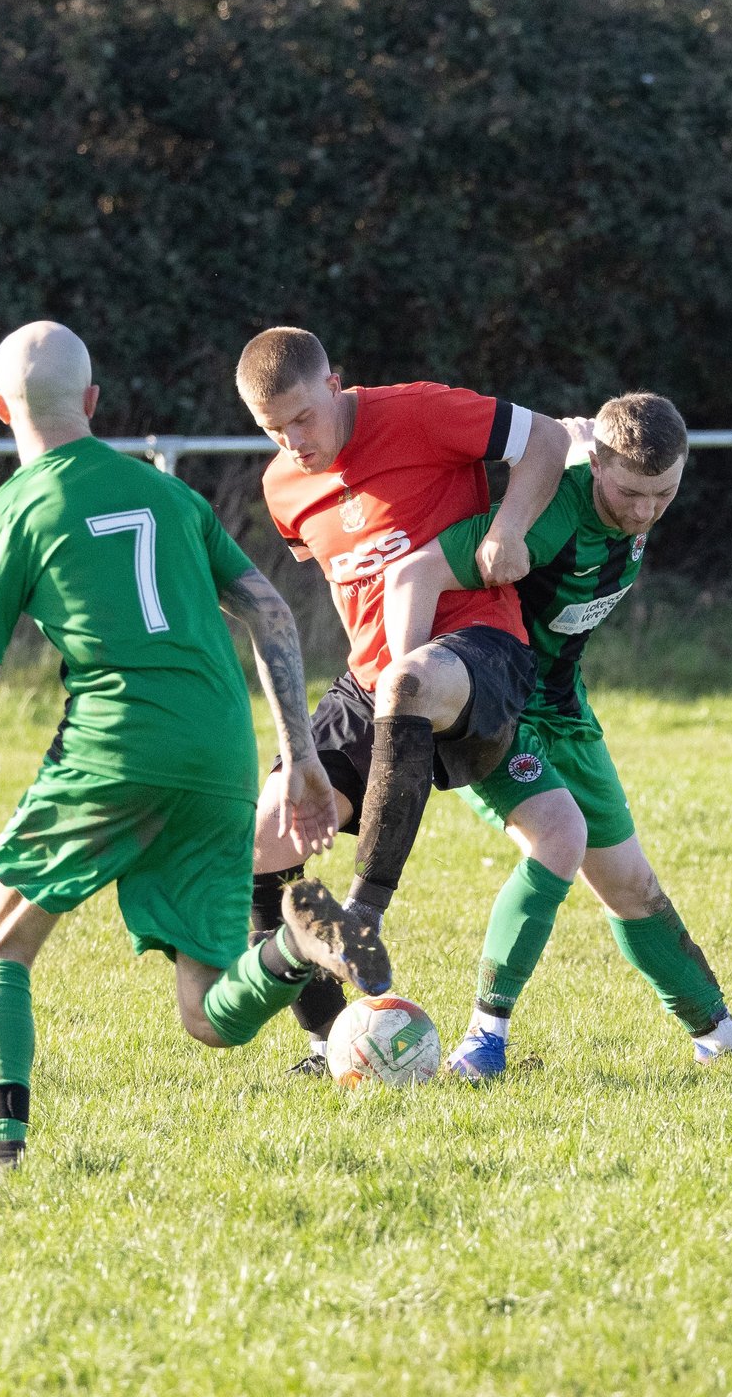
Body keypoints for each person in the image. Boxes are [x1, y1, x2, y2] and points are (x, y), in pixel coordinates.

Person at [0, 322, 380, 1184]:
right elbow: (273, 616)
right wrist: (301, 759)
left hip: (115, 744)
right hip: (218, 749)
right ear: (93, 402)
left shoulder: (9, 515)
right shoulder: (168, 496)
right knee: (210, 1015)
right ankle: (294, 949)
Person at [375, 394, 732, 1078]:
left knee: (633, 887)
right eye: (630, 492)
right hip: (499, 709)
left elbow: (585, 437)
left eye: (664, 494)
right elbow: (414, 573)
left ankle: (722, 1040)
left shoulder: (625, 480)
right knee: (559, 840)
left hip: (566, 711)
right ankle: (484, 1040)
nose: (645, 511)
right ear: (600, 465)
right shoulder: (550, 514)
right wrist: (400, 720)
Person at [236, 327, 568, 1067]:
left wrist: (508, 529)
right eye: (271, 430)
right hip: (366, 683)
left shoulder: (417, 411)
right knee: (260, 838)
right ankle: (332, 1045)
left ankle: (364, 914)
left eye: (302, 418)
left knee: (407, 680)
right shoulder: (282, 489)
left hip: (480, 650)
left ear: (335, 384)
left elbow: (544, 438)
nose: (292, 441)